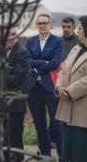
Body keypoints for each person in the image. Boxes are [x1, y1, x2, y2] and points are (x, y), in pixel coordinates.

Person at [26, 14, 63, 158]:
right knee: (40, 125)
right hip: (34, 88)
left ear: (50, 25)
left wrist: (36, 67)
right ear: (37, 25)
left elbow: (55, 63)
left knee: (57, 125)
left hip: (51, 88)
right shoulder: (30, 41)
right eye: (40, 23)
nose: (42, 26)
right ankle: (45, 155)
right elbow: (27, 60)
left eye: (45, 23)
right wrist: (44, 63)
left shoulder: (57, 42)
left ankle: (62, 156)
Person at [55, 15, 87, 162]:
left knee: (80, 151)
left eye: (80, 28)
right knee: (68, 151)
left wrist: (69, 91)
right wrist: (59, 87)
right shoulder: (76, 48)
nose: (78, 31)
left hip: (82, 112)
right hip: (67, 110)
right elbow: (63, 68)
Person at [0, 28, 31, 161]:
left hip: (15, 104)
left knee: (15, 141)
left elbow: (17, 79)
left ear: (13, 37)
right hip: (2, 103)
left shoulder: (22, 53)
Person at [48, 16, 80, 147]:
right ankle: (53, 140)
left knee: (72, 117)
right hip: (56, 83)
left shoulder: (80, 43)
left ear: (74, 27)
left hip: (75, 85)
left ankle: (70, 143)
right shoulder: (57, 42)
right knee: (55, 115)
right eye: (64, 27)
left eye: (68, 27)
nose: (66, 29)